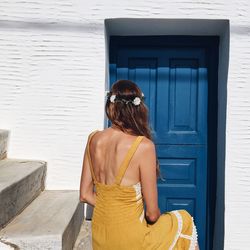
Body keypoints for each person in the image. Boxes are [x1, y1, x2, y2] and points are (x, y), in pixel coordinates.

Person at [79, 79, 199, 250]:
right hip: (131, 238)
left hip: (101, 236)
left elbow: (84, 194)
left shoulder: (93, 139)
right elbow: (152, 214)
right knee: (185, 220)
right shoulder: (143, 146)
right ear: (139, 109)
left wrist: (112, 209)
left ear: (111, 106)